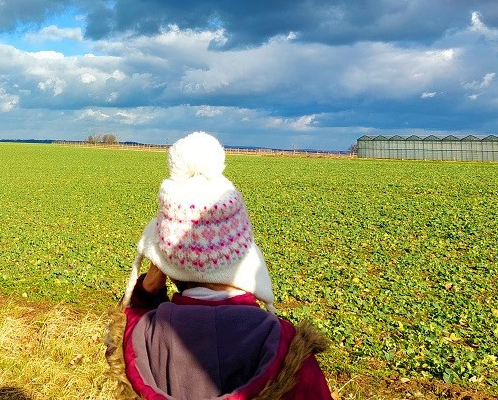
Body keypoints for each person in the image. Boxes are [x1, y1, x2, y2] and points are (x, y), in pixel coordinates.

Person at [105, 132, 333, 399]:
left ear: (164, 263)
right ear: (244, 253)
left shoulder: (142, 337)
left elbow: (128, 320)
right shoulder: (282, 345)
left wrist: (147, 291)